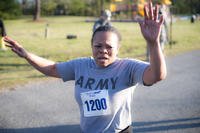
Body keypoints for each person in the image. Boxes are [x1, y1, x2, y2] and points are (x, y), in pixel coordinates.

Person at [4, 1, 166, 132]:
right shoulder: (81, 65)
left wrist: (153, 43)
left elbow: (157, 75)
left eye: (109, 47)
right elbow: (52, 68)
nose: (103, 50)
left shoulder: (128, 67)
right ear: (91, 47)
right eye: (98, 46)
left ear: (118, 49)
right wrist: (27, 55)